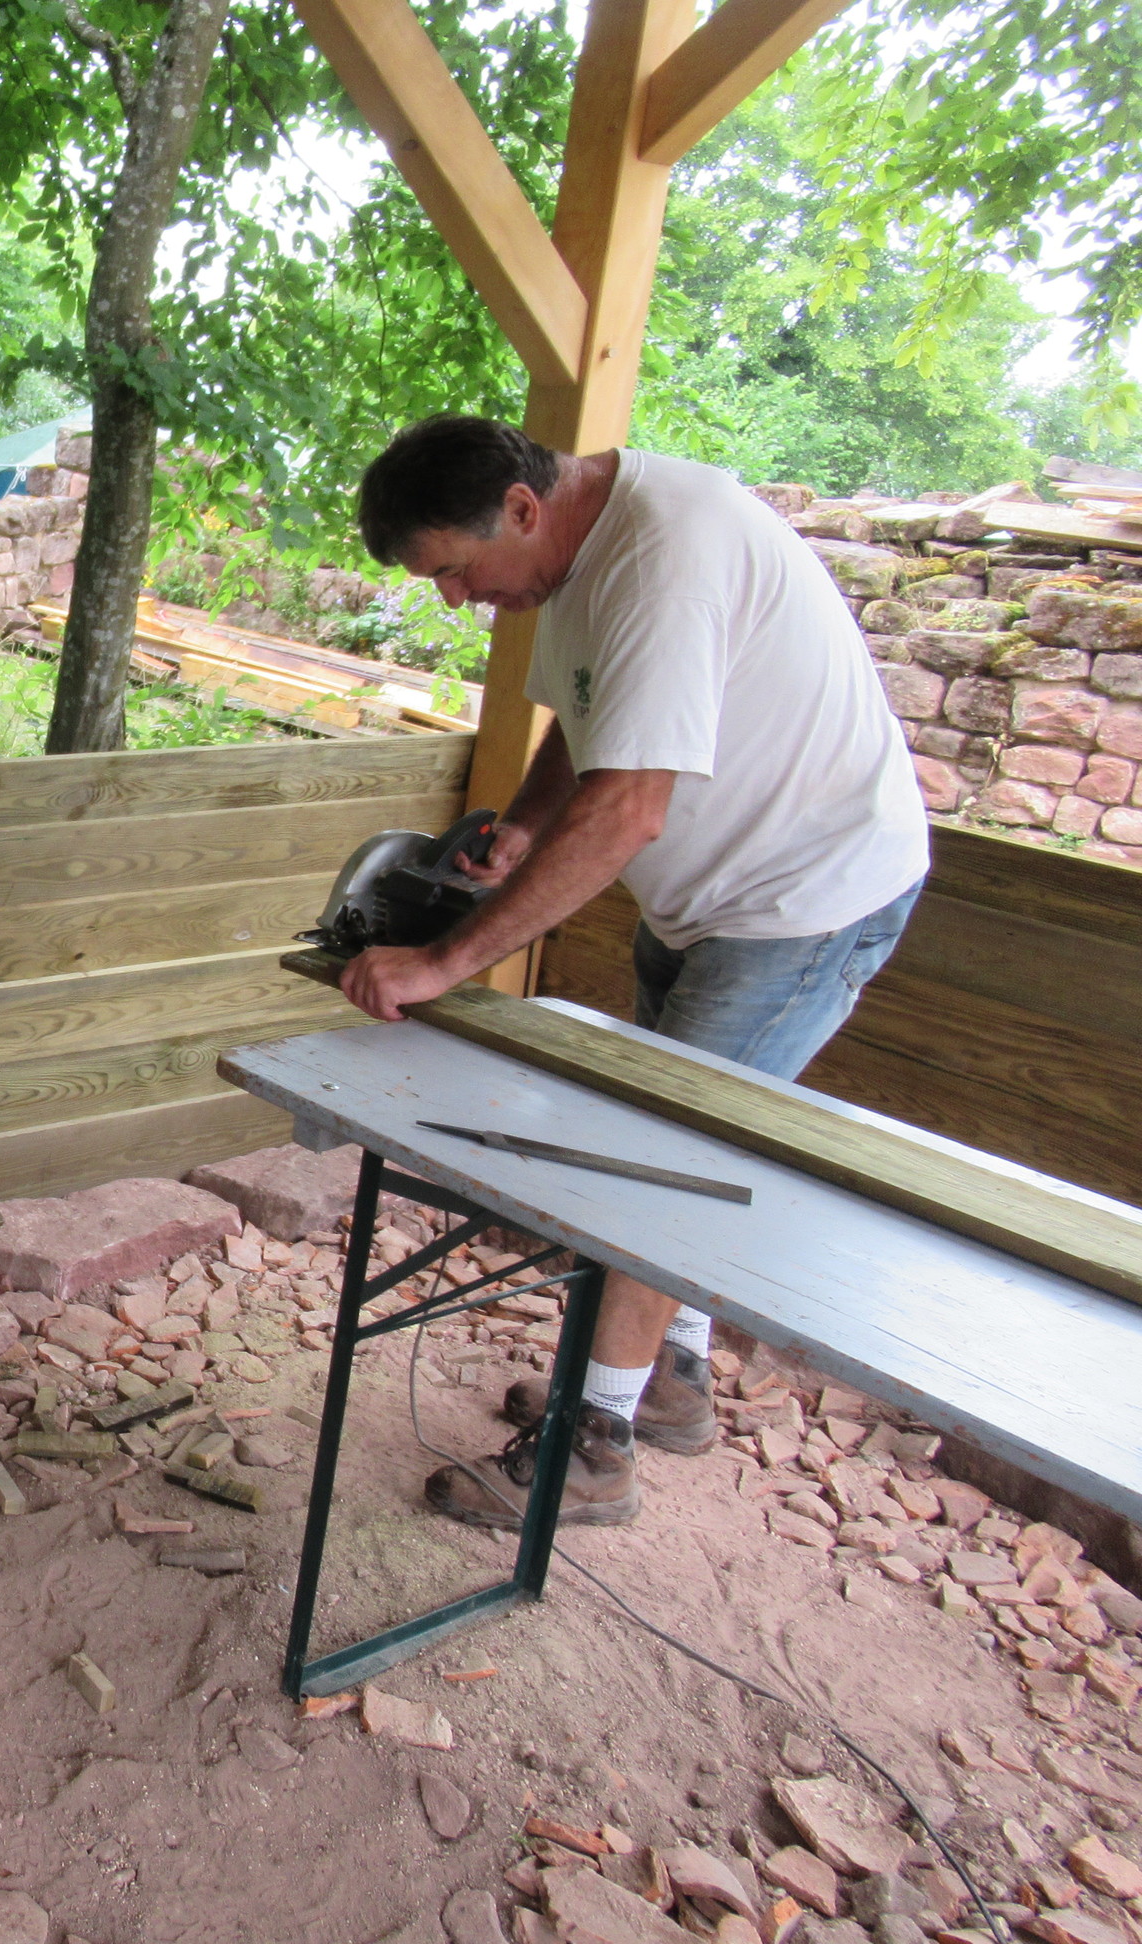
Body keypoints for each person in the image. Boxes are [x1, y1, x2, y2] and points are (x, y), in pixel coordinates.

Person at [339, 414, 928, 1528]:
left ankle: (594, 1449)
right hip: (709, 899)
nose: (455, 600)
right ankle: (670, 1380)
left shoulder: (665, 558)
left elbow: (628, 811)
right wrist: (524, 825)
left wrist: (444, 960)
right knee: (680, 1148)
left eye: (455, 571)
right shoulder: (570, 558)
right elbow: (591, 717)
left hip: (801, 903)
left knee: (657, 1169)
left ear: (522, 508)